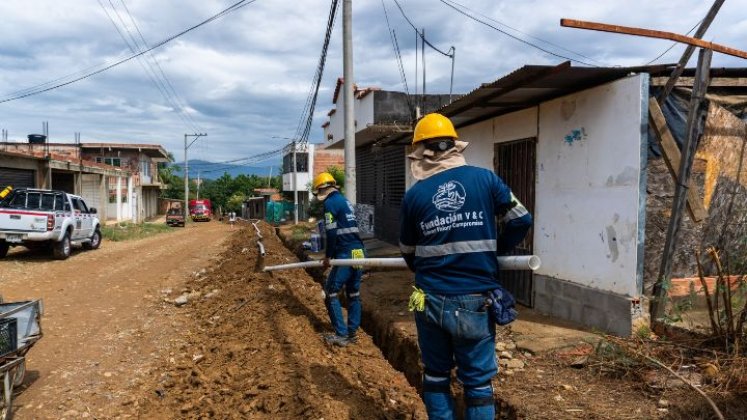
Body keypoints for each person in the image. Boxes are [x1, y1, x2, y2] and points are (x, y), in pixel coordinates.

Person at [399, 113, 532, 419]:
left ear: (420, 152)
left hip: (428, 298)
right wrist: (496, 249)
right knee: (478, 384)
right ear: (455, 146)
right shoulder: (484, 179)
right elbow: (521, 218)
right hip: (474, 299)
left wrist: (424, 265)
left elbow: (407, 250)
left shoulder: (414, 195)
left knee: (435, 375)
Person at [312, 172, 366, 347]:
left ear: (321, 190)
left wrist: (328, 256)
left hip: (346, 253)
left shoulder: (329, 203)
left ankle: (342, 334)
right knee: (353, 293)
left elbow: (332, 232)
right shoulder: (344, 201)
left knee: (331, 292)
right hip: (359, 252)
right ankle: (352, 332)